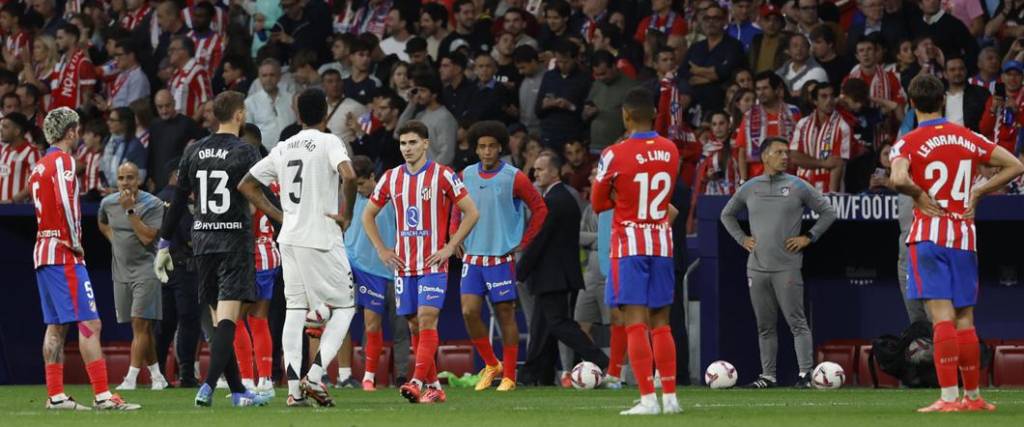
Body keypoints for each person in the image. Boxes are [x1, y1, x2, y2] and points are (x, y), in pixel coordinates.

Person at [888, 74, 1024, 412]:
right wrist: (979, 190)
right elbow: (1015, 165)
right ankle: (973, 397)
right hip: (964, 236)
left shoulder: (908, 141)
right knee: (965, 319)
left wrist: (918, 193)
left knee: (942, 318)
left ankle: (949, 398)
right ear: (943, 101)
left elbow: (897, 178)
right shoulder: (967, 136)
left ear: (911, 102)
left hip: (929, 237)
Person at [239, 88, 359, 407]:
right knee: (345, 307)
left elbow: (246, 185)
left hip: (289, 239)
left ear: (298, 115)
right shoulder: (330, 141)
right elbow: (349, 175)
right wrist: (345, 214)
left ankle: (294, 392)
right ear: (325, 113)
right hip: (320, 238)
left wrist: (282, 216)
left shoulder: (283, 146)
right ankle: (315, 377)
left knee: (295, 309)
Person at [153, 91, 270, 407]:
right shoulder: (246, 151)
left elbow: (178, 201)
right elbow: (260, 194)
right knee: (229, 321)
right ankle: (206, 387)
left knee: (220, 324)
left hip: (202, 243)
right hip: (234, 242)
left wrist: (164, 243)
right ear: (239, 115)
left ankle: (237, 392)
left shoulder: (194, 151)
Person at [30, 107, 140, 410]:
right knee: (90, 322)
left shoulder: (39, 165)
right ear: (70, 132)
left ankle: (55, 396)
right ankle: (104, 396)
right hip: (63, 251)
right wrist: (75, 241)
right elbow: (66, 200)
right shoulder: (63, 160)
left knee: (55, 327)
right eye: (76, 129)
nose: (79, 133)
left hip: (43, 251)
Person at [362, 120, 480, 404]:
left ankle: (415, 381)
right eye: (403, 143)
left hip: (433, 263)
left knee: (427, 319)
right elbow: (368, 215)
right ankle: (435, 386)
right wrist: (381, 249)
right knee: (416, 326)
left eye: (413, 142)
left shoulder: (443, 175)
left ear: (426, 144)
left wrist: (451, 246)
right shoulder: (391, 177)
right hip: (404, 266)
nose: (407, 148)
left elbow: (471, 212)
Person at [588, 87, 679, 415]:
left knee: (635, 322)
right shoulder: (671, 150)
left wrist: (619, 200)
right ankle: (670, 397)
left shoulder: (615, 153)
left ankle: (646, 400)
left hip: (629, 244)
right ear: (654, 114)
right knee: (662, 322)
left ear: (626, 116)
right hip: (662, 242)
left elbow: (598, 203)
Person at [720, 137, 837, 389]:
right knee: (765, 325)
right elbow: (726, 214)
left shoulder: (798, 185)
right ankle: (768, 376)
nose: (785, 156)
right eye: (779, 152)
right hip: (757, 266)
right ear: (765, 157)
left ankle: (805, 374)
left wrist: (809, 237)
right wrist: (742, 239)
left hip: (787, 266)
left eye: (786, 152)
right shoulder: (750, 187)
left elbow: (829, 211)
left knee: (797, 322)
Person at [458, 121, 548, 392]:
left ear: (500, 148)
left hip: (500, 257)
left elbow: (540, 208)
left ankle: (509, 375)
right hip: (472, 257)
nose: (487, 152)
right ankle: (491, 364)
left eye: (492, 147)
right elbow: (454, 207)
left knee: (505, 315)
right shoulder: (465, 175)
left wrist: (523, 242)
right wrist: (455, 236)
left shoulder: (514, 176)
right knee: (469, 312)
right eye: (482, 147)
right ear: (476, 149)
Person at [518, 150, 609, 387]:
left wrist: (519, 272)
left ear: (556, 171)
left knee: (559, 324)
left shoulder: (553, 201)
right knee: (541, 329)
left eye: (541, 169)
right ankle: (534, 376)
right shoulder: (563, 198)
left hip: (553, 276)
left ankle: (602, 361)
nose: (536, 173)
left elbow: (539, 241)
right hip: (559, 274)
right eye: (535, 169)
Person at [98, 162, 167, 391]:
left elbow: (148, 238)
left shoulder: (153, 204)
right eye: (121, 178)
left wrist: (129, 211)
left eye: (130, 178)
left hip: (147, 270)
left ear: (139, 180)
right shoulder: (107, 203)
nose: (125, 182)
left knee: (140, 323)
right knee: (142, 328)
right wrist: (114, 241)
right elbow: (102, 223)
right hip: (120, 272)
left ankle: (131, 378)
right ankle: (158, 376)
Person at [344, 154, 409, 391]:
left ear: (373, 177)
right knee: (363, 323)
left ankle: (401, 377)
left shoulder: (391, 198)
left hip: (389, 271)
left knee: (401, 328)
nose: (358, 189)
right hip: (356, 267)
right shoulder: (349, 196)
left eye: (361, 184)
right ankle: (366, 377)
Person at [232, 124, 279, 395]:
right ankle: (266, 381)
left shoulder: (245, 179)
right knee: (259, 319)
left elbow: (249, 210)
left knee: (236, 319)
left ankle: (248, 380)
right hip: (269, 253)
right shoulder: (272, 177)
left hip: (248, 256)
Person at [736, 72, 801, 182]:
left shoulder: (793, 113)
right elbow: (742, 151)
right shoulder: (749, 116)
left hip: (789, 178)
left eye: (765, 88)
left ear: (776, 90)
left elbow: (801, 147)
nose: (761, 93)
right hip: (758, 179)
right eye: (758, 89)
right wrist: (743, 180)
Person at [789, 84, 853, 193]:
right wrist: (823, 163)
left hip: (826, 190)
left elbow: (837, 164)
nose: (829, 100)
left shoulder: (843, 127)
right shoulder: (802, 123)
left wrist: (832, 196)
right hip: (801, 187)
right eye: (824, 96)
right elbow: (794, 157)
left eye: (832, 96)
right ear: (815, 101)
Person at [396, 73, 458, 166]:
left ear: (434, 94)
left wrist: (429, 172)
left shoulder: (445, 118)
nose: (419, 95)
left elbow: (447, 154)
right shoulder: (420, 115)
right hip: (419, 173)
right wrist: (411, 105)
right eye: (417, 91)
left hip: (436, 175)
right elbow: (398, 133)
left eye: (423, 91)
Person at [245, 58, 295, 150]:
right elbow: (248, 134)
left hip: (291, 151)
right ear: (259, 78)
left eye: (272, 75)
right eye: (264, 75)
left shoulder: (291, 99)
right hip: (264, 155)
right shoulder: (250, 102)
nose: (268, 79)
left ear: (279, 76)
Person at [49, 23, 96, 110]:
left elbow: (87, 96)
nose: (56, 41)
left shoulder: (83, 63)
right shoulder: (60, 63)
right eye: (56, 38)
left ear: (73, 39)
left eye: (60, 38)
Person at [167, 35, 213, 121]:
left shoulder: (198, 71)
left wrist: (191, 125)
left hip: (190, 130)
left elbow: (206, 101)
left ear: (185, 51)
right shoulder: (175, 74)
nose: (169, 53)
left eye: (173, 50)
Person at [0, 112, 40, 203]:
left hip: (20, 210)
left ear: (17, 131)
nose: (1, 130)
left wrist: (12, 200)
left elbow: (36, 181)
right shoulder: (3, 150)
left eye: (5, 127)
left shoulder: (31, 152)